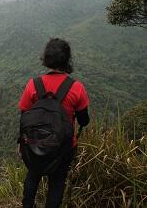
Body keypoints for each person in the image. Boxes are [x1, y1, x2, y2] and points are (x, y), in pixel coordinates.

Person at [18, 38, 90, 208]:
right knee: (57, 183)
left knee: (33, 175)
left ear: (46, 59)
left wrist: (20, 142)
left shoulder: (33, 85)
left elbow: (24, 116)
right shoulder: (76, 88)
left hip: (34, 143)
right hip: (63, 147)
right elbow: (84, 120)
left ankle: (27, 204)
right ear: (67, 60)